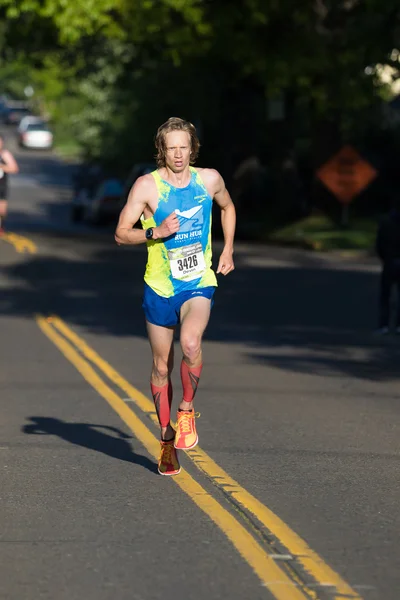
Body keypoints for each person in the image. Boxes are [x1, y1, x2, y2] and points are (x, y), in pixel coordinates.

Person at [115, 117, 236, 476]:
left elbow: (228, 207)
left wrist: (228, 250)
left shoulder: (209, 180)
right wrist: (155, 230)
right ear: (162, 150)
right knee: (161, 367)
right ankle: (167, 440)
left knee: (191, 341)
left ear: (192, 148)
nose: (179, 154)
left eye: (184, 147)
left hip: (198, 280)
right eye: (172, 148)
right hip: (159, 286)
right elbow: (121, 234)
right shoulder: (146, 187)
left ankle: (186, 411)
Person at [375, 196, 400, 334]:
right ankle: (398, 325)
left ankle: (383, 325)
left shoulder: (385, 222)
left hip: (389, 262)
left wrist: (384, 257)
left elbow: (379, 244)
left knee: (385, 295)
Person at [0, 135, 19, 234]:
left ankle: (1, 226)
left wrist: (2, 166)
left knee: (1, 210)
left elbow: (14, 168)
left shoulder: (5, 154)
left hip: (1, 185)